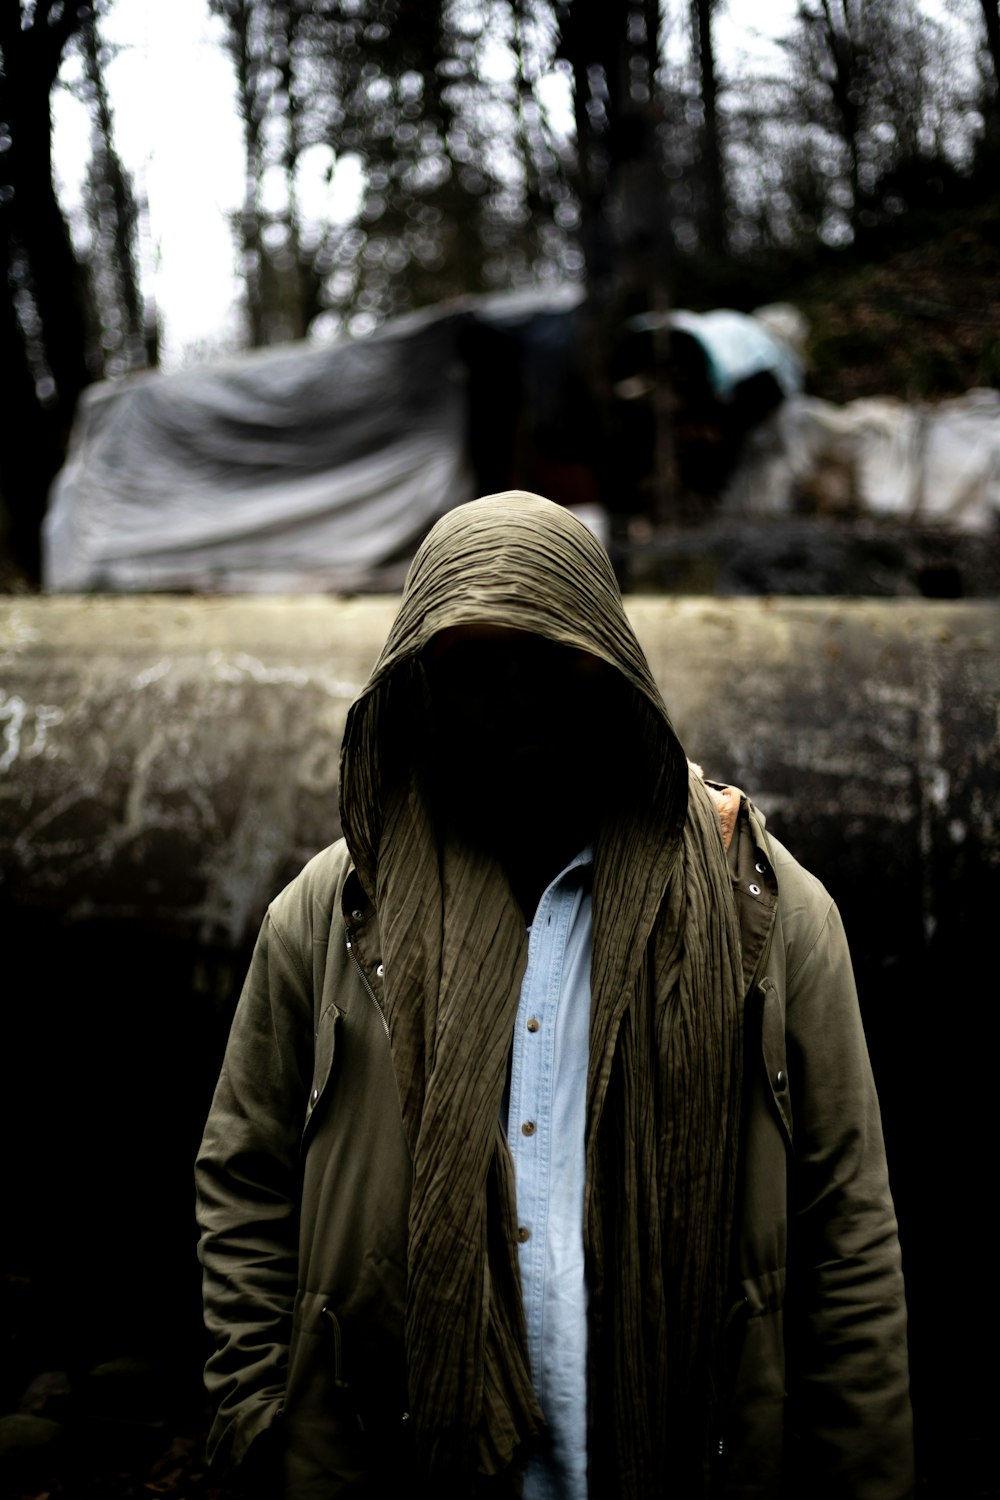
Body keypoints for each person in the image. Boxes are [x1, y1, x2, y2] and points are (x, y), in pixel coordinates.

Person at [195, 490, 913, 1499]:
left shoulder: (767, 910)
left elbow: (846, 1226)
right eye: (473, 665)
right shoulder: (328, 914)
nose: (513, 698)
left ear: (611, 663)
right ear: (421, 685)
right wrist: (262, 1419)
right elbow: (244, 1181)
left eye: (548, 656)